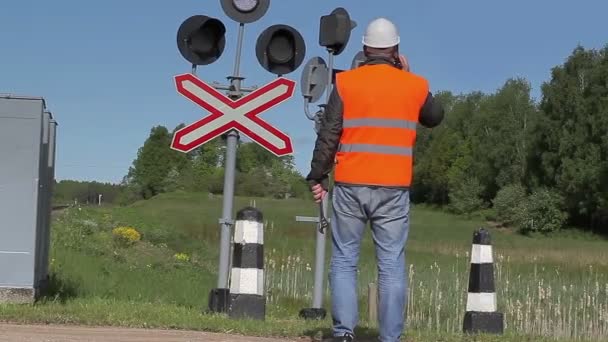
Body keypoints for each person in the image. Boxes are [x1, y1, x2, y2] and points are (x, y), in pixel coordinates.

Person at [305, 17, 445, 342]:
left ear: (365, 49)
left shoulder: (346, 84)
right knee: (391, 265)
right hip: (394, 189)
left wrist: (317, 175)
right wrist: (407, 75)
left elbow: (329, 134)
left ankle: (342, 334)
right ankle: (390, 338)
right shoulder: (414, 85)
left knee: (343, 260)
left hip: (351, 184)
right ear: (396, 50)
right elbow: (435, 117)